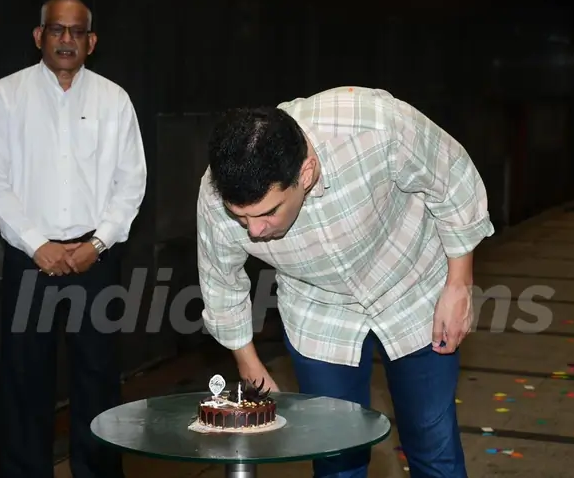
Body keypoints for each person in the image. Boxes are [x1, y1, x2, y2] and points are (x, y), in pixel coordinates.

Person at [197, 86, 494, 478]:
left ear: (306, 172)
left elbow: (454, 180)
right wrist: (248, 362)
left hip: (413, 288)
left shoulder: (373, 125)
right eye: (241, 218)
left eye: (267, 213)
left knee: (431, 443)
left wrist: (459, 285)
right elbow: (222, 281)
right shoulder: (217, 195)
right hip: (318, 312)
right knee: (336, 456)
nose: (253, 232)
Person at [0, 0, 147, 478]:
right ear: (39, 36)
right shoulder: (6, 96)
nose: (66, 39)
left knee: (98, 382)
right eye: (56, 29)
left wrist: (98, 243)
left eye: (76, 31)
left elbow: (131, 180)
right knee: (25, 383)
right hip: (30, 260)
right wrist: (37, 244)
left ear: (91, 41)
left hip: (97, 260)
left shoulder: (114, 101)